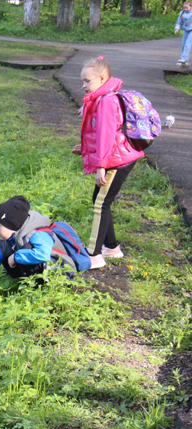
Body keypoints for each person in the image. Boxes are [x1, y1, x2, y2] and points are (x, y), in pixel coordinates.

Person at [71, 57, 143, 270]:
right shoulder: (101, 98)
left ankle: (93, 255)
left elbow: (106, 136)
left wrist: (101, 165)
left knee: (101, 203)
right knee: (102, 199)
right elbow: (98, 134)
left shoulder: (106, 101)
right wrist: (84, 148)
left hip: (116, 160)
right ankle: (111, 248)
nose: (83, 85)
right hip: (115, 156)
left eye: (87, 81)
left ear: (101, 78)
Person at [0, 196, 77, 307]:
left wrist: (16, 256)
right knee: (4, 251)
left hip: (61, 274)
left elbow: (43, 254)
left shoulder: (38, 234)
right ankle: (32, 288)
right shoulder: (12, 239)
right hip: (39, 273)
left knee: (26, 250)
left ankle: (48, 292)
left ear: (12, 225)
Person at [175, 1, 192, 68]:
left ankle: (183, 58)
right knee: (184, 44)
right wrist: (177, 29)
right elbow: (179, 22)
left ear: (191, 7)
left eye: (187, 8)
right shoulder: (182, 13)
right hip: (186, 30)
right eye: (184, 8)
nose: (185, 9)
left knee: (188, 44)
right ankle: (185, 60)